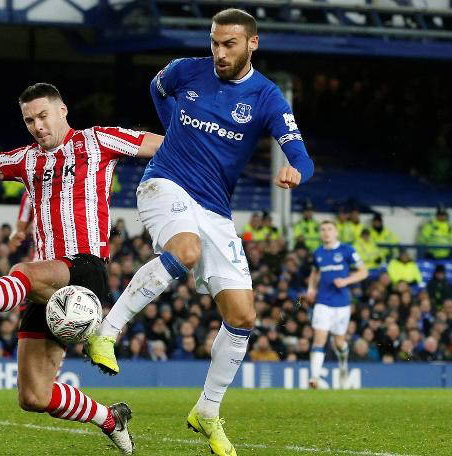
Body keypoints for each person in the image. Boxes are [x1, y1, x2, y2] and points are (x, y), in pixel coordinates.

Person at [84, 9, 314, 455]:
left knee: (243, 316)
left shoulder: (267, 97)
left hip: (215, 209)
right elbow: (157, 86)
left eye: (229, 44)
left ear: (252, 43)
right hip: (165, 182)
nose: (219, 53)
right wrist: (173, 130)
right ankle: (106, 331)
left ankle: (207, 410)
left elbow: (300, 154)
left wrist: (296, 171)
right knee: (185, 250)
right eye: (214, 42)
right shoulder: (186, 70)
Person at [0, 81, 164, 454]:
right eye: (29, 120)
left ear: (62, 110)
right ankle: (109, 418)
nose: (38, 126)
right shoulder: (25, 160)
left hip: (86, 269)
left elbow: (167, 145)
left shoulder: (99, 140)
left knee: (25, 269)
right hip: (46, 287)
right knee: (34, 396)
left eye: (43, 116)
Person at [305, 221, 367, 389]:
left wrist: (346, 281)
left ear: (336, 232)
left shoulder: (347, 250)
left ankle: (343, 365)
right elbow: (315, 272)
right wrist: (311, 288)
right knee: (319, 339)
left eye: (329, 229)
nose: (326, 232)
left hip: (342, 304)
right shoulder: (318, 253)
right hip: (323, 302)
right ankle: (314, 378)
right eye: (323, 229)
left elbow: (363, 272)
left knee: (339, 343)